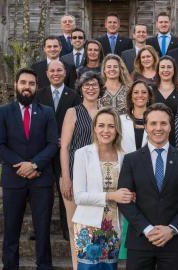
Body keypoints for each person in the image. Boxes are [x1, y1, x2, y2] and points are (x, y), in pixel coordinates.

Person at [118, 103, 178, 270]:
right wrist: (147, 229)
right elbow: (124, 200)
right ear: (146, 127)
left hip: (173, 241)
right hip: (140, 239)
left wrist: (171, 229)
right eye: (153, 123)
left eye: (163, 123)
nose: (158, 128)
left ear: (170, 126)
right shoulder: (131, 160)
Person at [0, 68, 58, 269]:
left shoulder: (47, 112)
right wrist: (22, 166)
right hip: (13, 179)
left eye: (31, 83)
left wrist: (34, 164)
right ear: (16, 85)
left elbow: (52, 144)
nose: (27, 87)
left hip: (41, 179)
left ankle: (44, 266)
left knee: (42, 229)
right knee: (11, 230)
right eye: (23, 83)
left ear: (36, 87)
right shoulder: (3, 112)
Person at [72, 107, 134, 269]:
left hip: (114, 224)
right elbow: (78, 196)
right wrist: (110, 196)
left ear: (117, 129)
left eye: (111, 126)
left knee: (110, 267)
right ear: (94, 128)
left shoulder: (125, 155)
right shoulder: (82, 154)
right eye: (101, 125)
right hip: (87, 224)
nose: (106, 130)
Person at [60, 71, 105, 270]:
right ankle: (78, 266)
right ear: (81, 88)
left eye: (94, 84)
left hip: (100, 176)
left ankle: (97, 264)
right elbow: (65, 147)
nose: (91, 88)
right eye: (86, 85)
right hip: (74, 174)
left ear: (100, 88)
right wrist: (66, 178)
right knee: (74, 226)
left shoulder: (107, 111)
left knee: (99, 226)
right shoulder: (73, 112)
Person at [35, 60, 81, 241]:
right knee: (42, 195)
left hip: (66, 151)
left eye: (59, 70)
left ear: (65, 73)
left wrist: (68, 138)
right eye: (52, 70)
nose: (56, 73)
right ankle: (39, 230)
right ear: (46, 74)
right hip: (44, 151)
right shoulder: (39, 95)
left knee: (66, 191)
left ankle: (66, 231)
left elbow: (79, 119)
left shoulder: (75, 95)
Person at [118, 80, 153, 260]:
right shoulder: (121, 119)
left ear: (149, 96)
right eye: (136, 92)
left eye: (143, 92)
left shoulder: (155, 119)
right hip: (125, 172)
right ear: (131, 96)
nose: (140, 95)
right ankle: (126, 252)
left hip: (150, 174)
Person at [152, 56, 178, 148]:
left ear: (174, 70)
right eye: (162, 67)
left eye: (169, 67)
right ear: (158, 70)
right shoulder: (150, 91)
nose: (166, 70)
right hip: (153, 135)